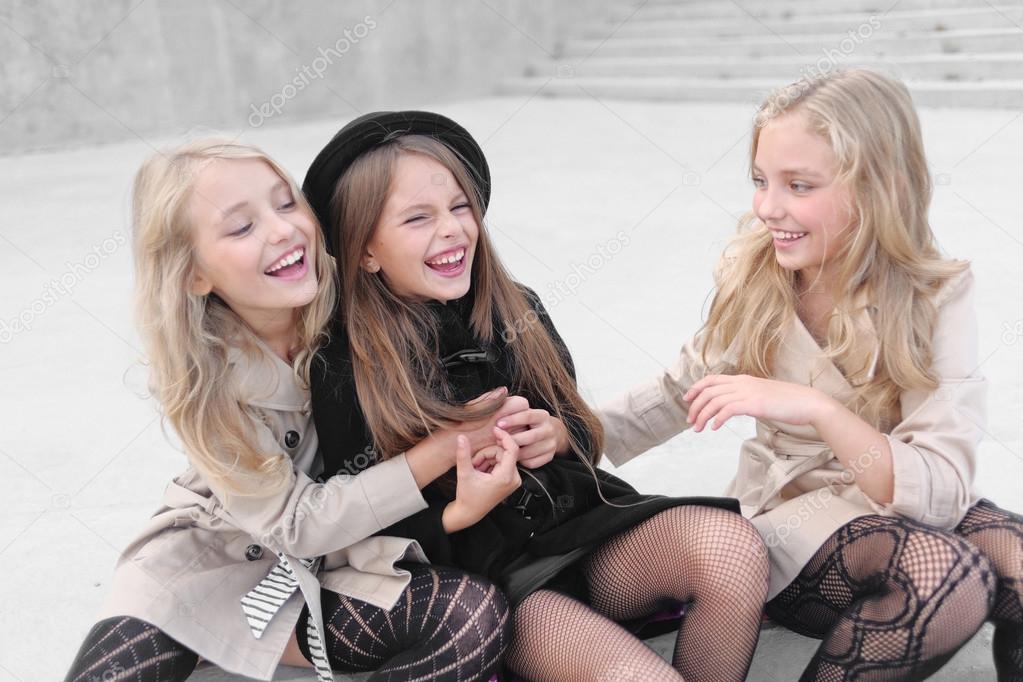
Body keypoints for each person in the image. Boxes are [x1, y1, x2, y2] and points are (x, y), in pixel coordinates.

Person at [302, 111, 770, 681]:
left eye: (459, 207)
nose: (451, 229)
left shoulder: (514, 308)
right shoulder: (343, 363)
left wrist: (557, 434)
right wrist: (459, 510)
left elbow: (577, 427)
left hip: (583, 532)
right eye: (417, 218)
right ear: (365, 251)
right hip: (496, 579)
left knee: (734, 550)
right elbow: (351, 520)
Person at [599, 69, 1023, 680]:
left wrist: (819, 408)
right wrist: (568, 436)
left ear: (880, 187)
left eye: (799, 185)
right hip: (797, 529)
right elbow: (672, 394)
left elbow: (941, 485)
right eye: (760, 181)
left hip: (905, 500)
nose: (768, 208)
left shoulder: (934, 293)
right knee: (946, 577)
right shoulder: (757, 275)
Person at [64, 139, 511, 682]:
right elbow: (296, 525)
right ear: (194, 274)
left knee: (471, 617)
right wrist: (437, 453)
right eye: (240, 227)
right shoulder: (202, 379)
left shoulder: (357, 304)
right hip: (215, 564)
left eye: (285, 203)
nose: (281, 230)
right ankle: (208, 644)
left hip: (334, 570)